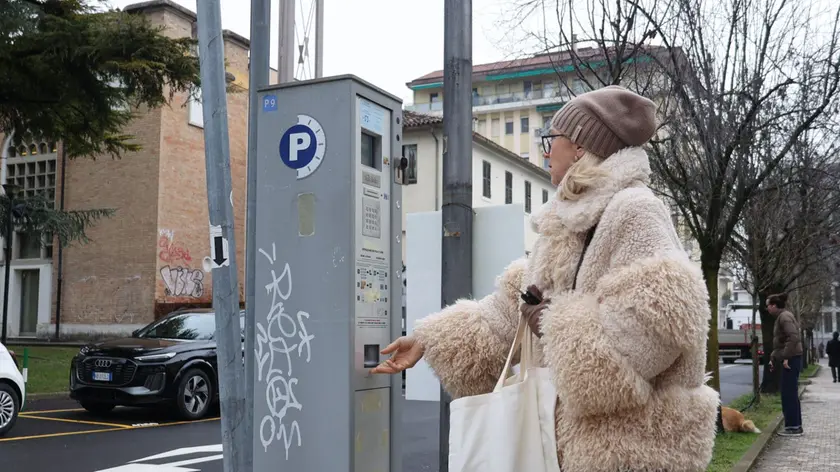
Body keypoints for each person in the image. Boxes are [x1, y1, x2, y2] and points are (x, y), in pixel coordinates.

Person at [372, 85, 718, 471]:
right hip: (570, 446)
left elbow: (663, 314)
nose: (547, 149)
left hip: (628, 450)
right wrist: (427, 339)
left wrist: (554, 324)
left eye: (551, 139)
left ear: (582, 148)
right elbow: (515, 310)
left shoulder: (633, 208)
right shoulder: (570, 218)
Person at [767, 293, 804, 436]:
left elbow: (793, 337)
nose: (767, 308)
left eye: (768, 305)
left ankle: (793, 427)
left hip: (791, 359)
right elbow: (781, 343)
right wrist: (774, 357)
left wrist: (786, 357)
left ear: (775, 306)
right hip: (789, 358)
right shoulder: (782, 317)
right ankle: (794, 425)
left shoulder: (784, 317)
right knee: (788, 392)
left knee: (789, 393)